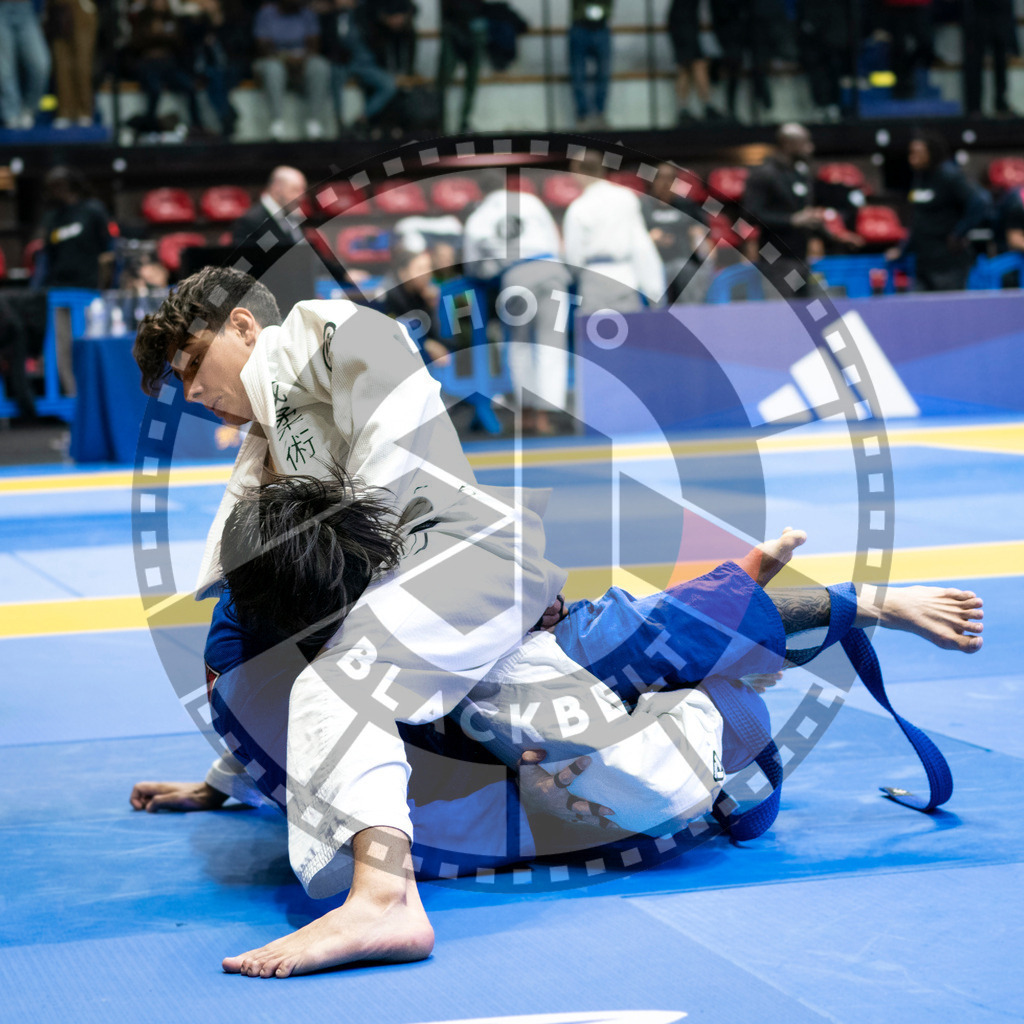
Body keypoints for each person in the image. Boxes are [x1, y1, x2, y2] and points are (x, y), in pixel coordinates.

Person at [462, 175, 572, 435]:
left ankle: (527, 414)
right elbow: (556, 242)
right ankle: (547, 415)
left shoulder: (480, 217)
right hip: (551, 270)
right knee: (551, 343)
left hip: (515, 276)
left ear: (481, 190)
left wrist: (493, 270)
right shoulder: (530, 201)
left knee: (519, 346)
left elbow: (473, 266)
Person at [884, 133, 990, 293]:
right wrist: (903, 249)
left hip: (948, 264)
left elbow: (979, 203)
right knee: (919, 312)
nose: (912, 157)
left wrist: (959, 233)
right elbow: (918, 220)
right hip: (923, 262)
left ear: (932, 153)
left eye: (918, 153)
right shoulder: (919, 178)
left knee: (949, 313)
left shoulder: (950, 176)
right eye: (911, 153)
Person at [562, 150, 665, 314]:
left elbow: (573, 257)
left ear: (577, 172)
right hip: (626, 277)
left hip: (593, 281)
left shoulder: (577, 208)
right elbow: (641, 246)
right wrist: (654, 291)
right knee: (631, 336)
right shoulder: (626, 198)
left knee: (596, 337)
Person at [744, 122, 827, 298]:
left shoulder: (801, 173)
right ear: (787, 144)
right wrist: (791, 220)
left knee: (811, 312)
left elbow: (803, 212)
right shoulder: (764, 174)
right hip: (773, 254)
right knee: (783, 312)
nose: (810, 147)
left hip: (801, 255)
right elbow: (750, 214)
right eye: (804, 142)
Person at [252, 0, 331, 140]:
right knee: (273, 68)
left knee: (320, 65)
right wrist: (285, 58)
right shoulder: (267, 13)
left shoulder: (307, 13)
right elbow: (263, 46)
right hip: (274, 58)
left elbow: (314, 45)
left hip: (302, 59)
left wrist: (301, 59)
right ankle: (277, 122)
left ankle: (314, 122)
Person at [318, 0, 397, 135]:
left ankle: (361, 118)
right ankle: (339, 121)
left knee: (389, 84)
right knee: (334, 79)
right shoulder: (328, 17)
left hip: (364, 62)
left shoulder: (363, 13)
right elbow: (325, 41)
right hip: (341, 62)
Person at [642, 162, 712, 304]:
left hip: (683, 262)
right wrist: (649, 238)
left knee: (687, 270)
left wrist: (699, 239)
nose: (665, 183)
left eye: (670, 179)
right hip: (653, 263)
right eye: (660, 178)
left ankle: (692, 317)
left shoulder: (687, 206)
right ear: (653, 181)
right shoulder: (643, 207)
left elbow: (704, 239)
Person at [962, 0, 1018, 118]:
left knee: (1001, 63)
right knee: (974, 63)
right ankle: (974, 107)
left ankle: (1000, 104)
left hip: (1000, 12)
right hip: (976, 12)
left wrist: (1012, 38)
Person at [436, 0, 486, 133]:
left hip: (474, 29)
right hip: (453, 29)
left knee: (471, 83)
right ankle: (438, 123)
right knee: (443, 80)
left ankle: (463, 123)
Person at [48, 0, 98, 129]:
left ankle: (84, 110)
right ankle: (65, 111)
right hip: (58, 6)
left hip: (81, 7)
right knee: (61, 64)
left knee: (82, 63)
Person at [0, 0, 51, 129]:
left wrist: (42, 9)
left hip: (26, 10)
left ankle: (29, 109)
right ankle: (10, 114)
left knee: (41, 65)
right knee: (4, 70)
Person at [667, 0, 719, 123]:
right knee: (697, 64)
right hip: (684, 22)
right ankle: (706, 106)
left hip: (685, 21)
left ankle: (684, 109)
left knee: (685, 67)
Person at [231, 166, 308, 247]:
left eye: (303, 190)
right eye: (295, 190)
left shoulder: (293, 214)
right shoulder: (249, 221)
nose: (301, 197)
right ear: (277, 188)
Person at [568, 0, 613, 129]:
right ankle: (582, 116)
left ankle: (599, 114)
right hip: (580, 27)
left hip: (601, 27)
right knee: (578, 74)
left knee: (604, 74)